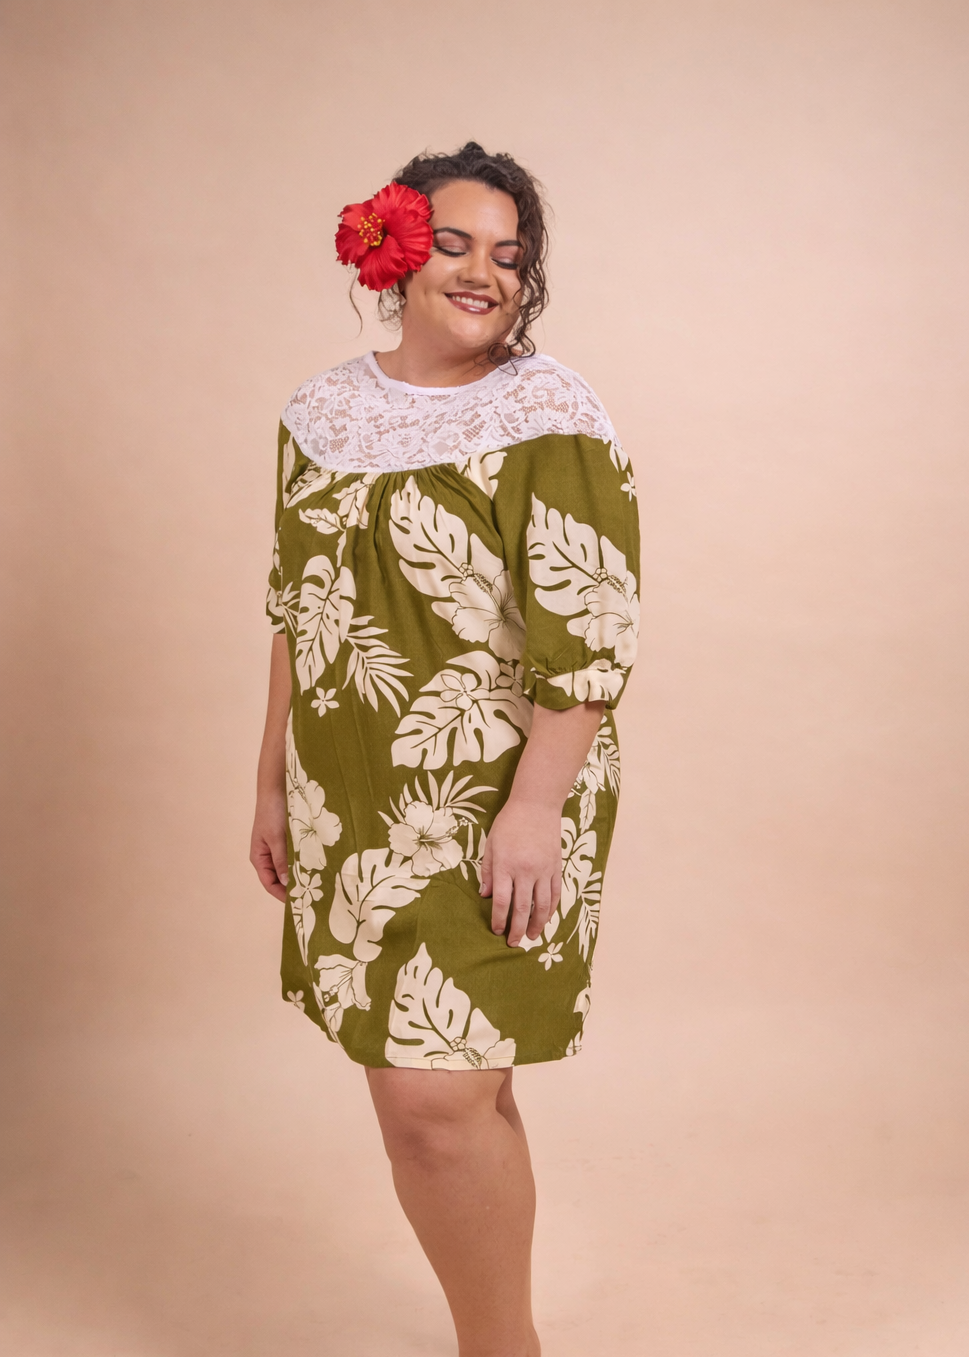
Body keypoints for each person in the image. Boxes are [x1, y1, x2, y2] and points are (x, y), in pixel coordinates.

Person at [250, 141, 640, 1357]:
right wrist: (268, 777)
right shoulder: (317, 414)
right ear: (394, 253)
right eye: (457, 244)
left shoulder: (548, 416)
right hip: (347, 794)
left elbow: (595, 634)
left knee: (436, 1096)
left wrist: (535, 812)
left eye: (512, 257)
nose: (486, 273)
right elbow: (294, 608)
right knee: (447, 1087)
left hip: (493, 793)